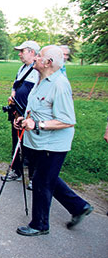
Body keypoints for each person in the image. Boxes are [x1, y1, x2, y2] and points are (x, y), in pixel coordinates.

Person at [14, 45, 93, 236]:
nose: (35, 59)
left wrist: (37, 125)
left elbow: (67, 120)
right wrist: (23, 120)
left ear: (48, 62)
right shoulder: (41, 80)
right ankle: (79, 206)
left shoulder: (60, 84)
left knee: (42, 182)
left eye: (39, 56)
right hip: (38, 142)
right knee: (47, 177)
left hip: (53, 144)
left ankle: (40, 225)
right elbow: (37, 107)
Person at [2, 41, 40, 183]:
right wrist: (12, 95)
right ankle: (16, 170)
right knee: (16, 141)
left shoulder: (38, 69)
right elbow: (15, 85)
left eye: (22, 51)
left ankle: (33, 178)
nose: (19, 54)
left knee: (31, 145)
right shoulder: (22, 68)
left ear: (31, 52)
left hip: (30, 114)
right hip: (17, 112)